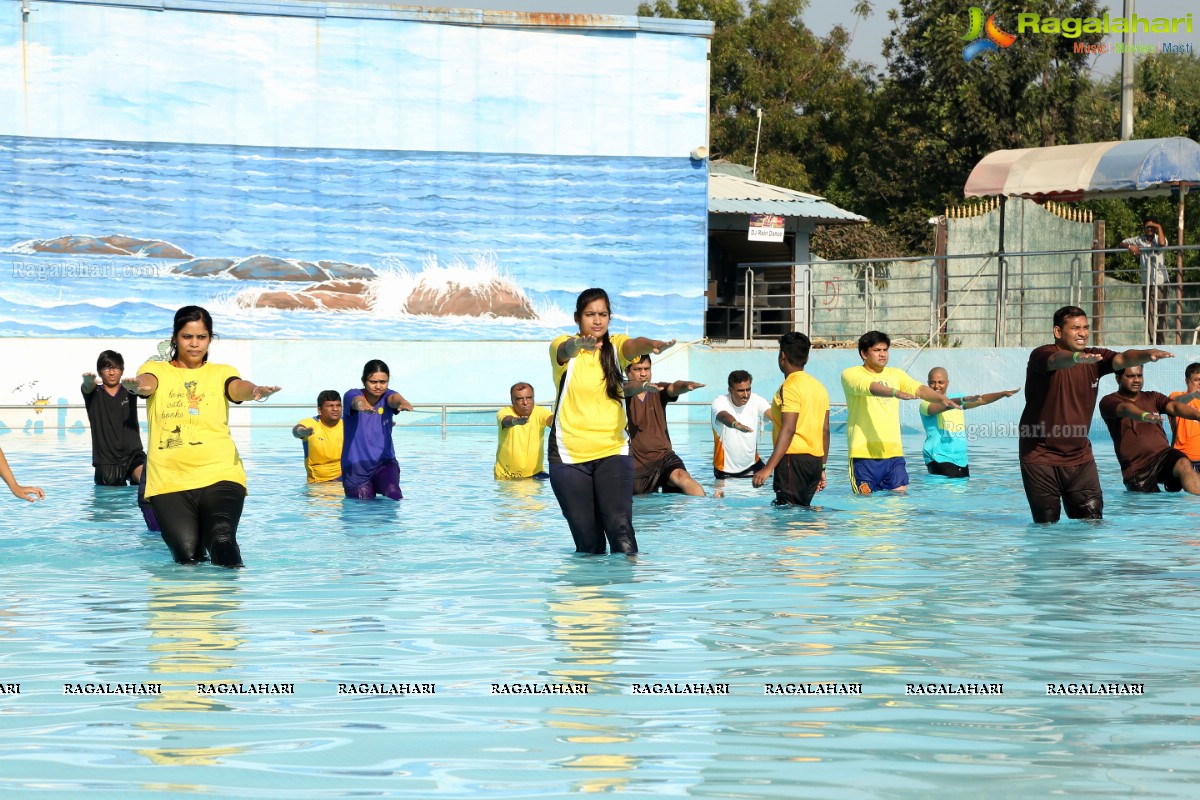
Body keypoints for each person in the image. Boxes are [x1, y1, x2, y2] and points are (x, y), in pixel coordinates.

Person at [125, 306, 280, 567]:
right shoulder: (156, 369)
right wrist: (137, 386)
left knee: (222, 539)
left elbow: (236, 387)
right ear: (175, 338)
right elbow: (147, 382)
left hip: (220, 473)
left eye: (201, 337)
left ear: (210, 338)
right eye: (187, 337)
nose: (194, 344)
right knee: (188, 557)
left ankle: (231, 600)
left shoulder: (220, 371)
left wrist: (254, 390)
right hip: (169, 480)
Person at [548, 288, 674, 555]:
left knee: (621, 530)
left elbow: (634, 344)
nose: (597, 320)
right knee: (589, 544)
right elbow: (564, 350)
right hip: (569, 456)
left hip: (612, 451)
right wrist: (577, 345)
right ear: (577, 317)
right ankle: (590, 594)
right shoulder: (563, 346)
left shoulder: (616, 346)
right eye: (590, 314)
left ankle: (624, 591)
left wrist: (650, 344)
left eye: (603, 314)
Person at [1018, 305, 1172, 523]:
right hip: (1040, 457)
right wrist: (1075, 359)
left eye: (1086, 327)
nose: (1082, 332)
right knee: (1047, 526)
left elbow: (1123, 358)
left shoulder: (1094, 358)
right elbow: (1055, 361)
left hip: (1080, 458)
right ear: (1058, 332)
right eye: (1075, 328)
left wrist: (1146, 355)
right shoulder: (1042, 355)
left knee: (1092, 523)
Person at [840, 331, 958, 494]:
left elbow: (919, 389)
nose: (882, 354)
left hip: (893, 454)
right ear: (864, 353)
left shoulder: (896, 374)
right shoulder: (851, 374)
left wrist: (940, 399)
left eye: (885, 350)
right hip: (863, 454)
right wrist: (895, 392)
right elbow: (870, 387)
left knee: (898, 503)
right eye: (877, 350)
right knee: (865, 508)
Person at [752, 332, 830, 506]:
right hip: (815, 462)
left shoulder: (790, 387)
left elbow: (789, 428)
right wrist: (822, 468)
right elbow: (825, 431)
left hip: (792, 461)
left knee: (788, 517)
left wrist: (768, 468)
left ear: (782, 356)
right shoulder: (819, 387)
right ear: (807, 358)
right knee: (801, 514)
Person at [1099, 365, 1200, 494]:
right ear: (1118, 379)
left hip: (1163, 456)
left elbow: (1174, 407)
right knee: (1149, 505)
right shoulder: (1108, 401)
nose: (1136, 380)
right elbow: (1124, 408)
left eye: (1139, 375)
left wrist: (1198, 415)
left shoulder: (1153, 397)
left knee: (1184, 463)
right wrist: (1144, 415)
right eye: (1130, 376)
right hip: (1137, 468)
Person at [625, 354, 705, 496]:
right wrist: (643, 386)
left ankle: (706, 508)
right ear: (627, 372)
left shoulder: (658, 390)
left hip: (664, 456)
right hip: (637, 463)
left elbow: (674, 387)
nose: (643, 373)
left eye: (647, 369)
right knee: (642, 506)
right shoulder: (623, 392)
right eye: (638, 369)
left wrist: (686, 386)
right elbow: (630, 387)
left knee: (683, 477)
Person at [918, 367, 1019, 478]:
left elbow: (982, 400)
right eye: (932, 383)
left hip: (961, 459)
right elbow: (943, 406)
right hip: (938, 458)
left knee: (960, 492)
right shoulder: (926, 404)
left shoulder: (957, 398)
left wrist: (1002, 394)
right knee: (947, 492)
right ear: (928, 384)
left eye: (940, 382)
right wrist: (962, 400)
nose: (937, 386)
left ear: (947, 383)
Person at [342, 359, 413, 500]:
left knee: (394, 494)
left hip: (384, 463)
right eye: (373, 382)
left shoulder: (387, 396)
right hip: (356, 468)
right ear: (364, 381)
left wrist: (403, 402)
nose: (378, 386)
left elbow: (394, 398)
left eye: (383, 382)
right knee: (363, 507)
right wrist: (361, 405)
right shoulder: (351, 394)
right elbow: (356, 401)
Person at [81, 350, 147, 487]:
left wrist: (138, 387)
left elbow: (145, 390)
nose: (111, 372)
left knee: (148, 480)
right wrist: (88, 382)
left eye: (116, 368)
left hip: (133, 454)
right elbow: (87, 387)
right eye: (106, 368)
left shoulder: (129, 389)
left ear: (122, 371)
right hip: (107, 460)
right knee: (110, 503)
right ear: (99, 372)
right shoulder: (94, 393)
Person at [710, 369, 773, 479]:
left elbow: (773, 415)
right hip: (725, 470)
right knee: (719, 495)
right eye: (740, 391)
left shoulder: (755, 399)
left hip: (753, 465)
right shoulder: (720, 402)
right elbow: (723, 416)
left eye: (748, 389)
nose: (746, 394)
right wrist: (736, 424)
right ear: (730, 390)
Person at [1122, 217, 1169, 344]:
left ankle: (1161, 341)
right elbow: (1123, 242)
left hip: (1161, 281)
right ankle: (1152, 340)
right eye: (1147, 226)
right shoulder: (1139, 239)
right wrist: (1131, 247)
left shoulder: (1159, 238)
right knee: (1148, 312)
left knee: (1162, 312)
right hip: (1147, 282)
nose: (1149, 229)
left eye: (1152, 227)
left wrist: (1159, 227)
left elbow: (1162, 244)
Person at [495, 382, 552, 480]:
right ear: (512, 401)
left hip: (536, 476)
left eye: (529, 398)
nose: (525, 402)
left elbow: (552, 421)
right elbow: (505, 421)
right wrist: (515, 421)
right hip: (506, 478)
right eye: (520, 399)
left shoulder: (540, 412)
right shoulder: (505, 412)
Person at [293, 391, 344, 483]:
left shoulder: (347, 424)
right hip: (318, 483)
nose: (335, 409)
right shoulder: (311, 423)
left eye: (338, 405)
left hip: (344, 479)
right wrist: (303, 432)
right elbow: (296, 431)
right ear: (319, 410)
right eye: (330, 406)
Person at [1168, 362, 1200, 470]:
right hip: (1182, 458)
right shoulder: (1176, 396)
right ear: (1187, 381)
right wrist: (1195, 394)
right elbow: (1176, 403)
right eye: (1196, 380)